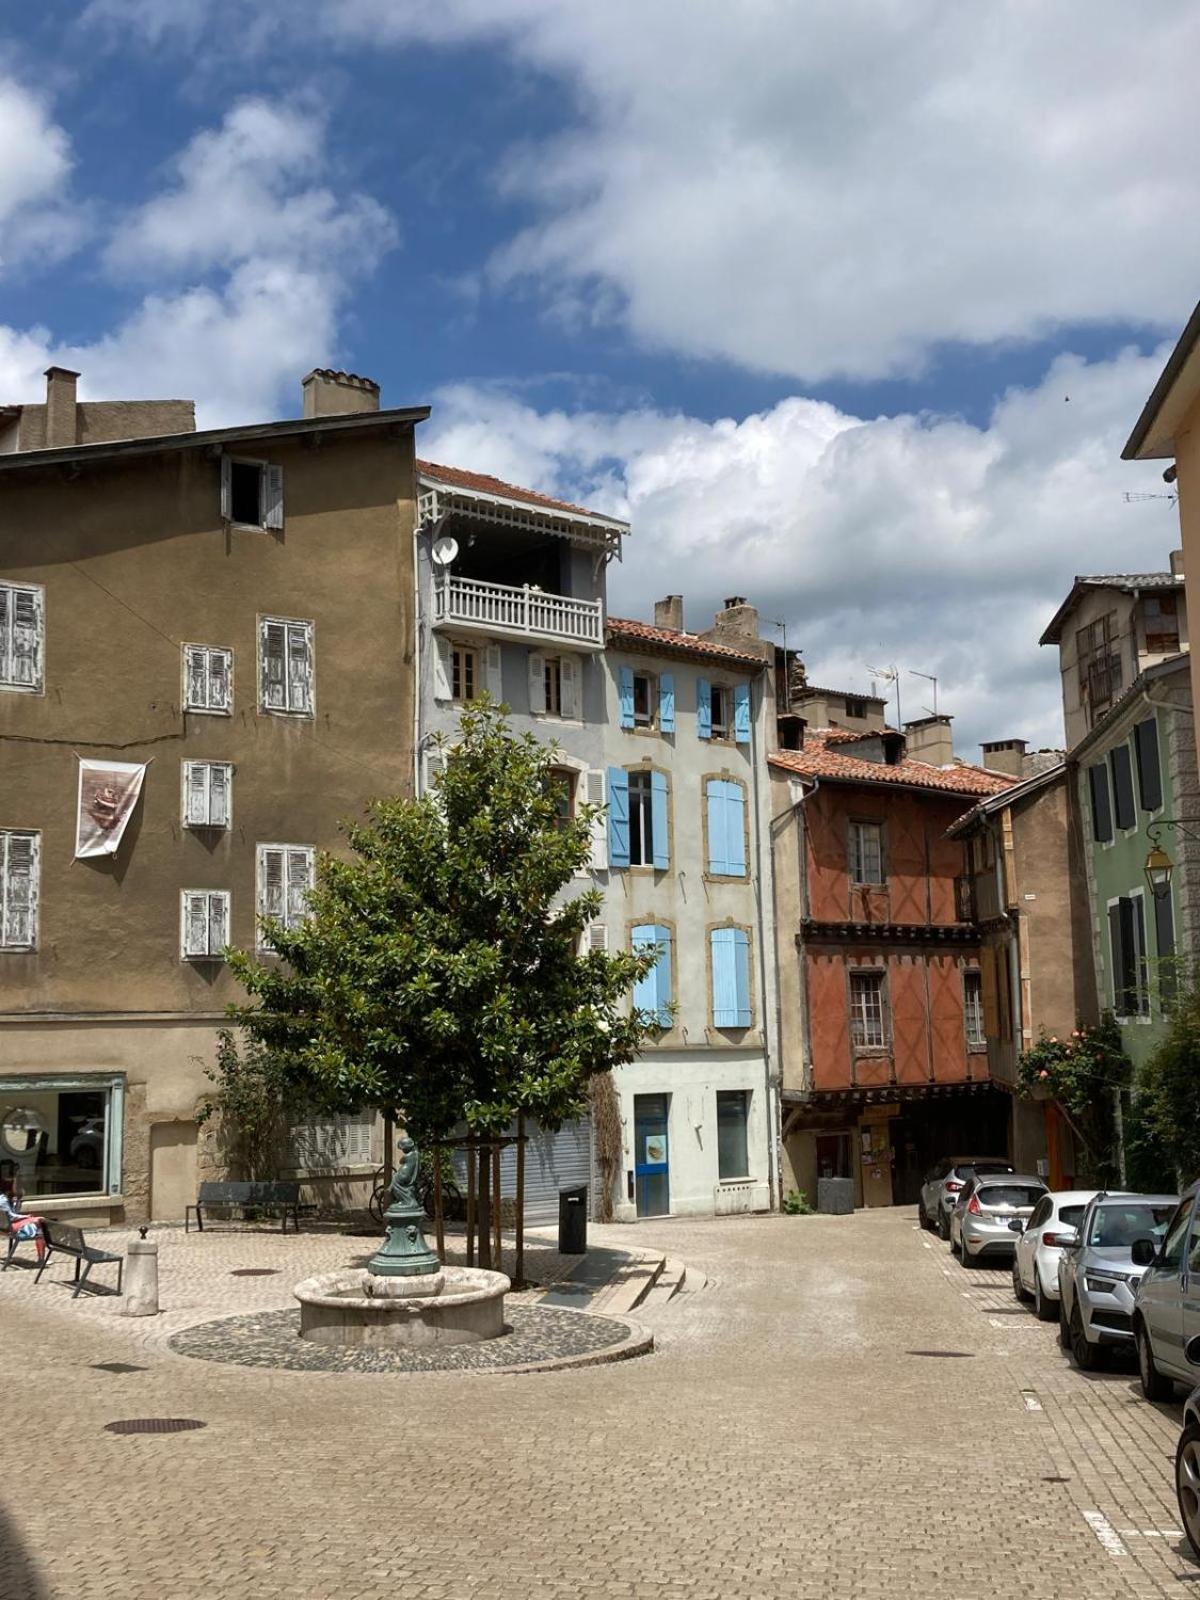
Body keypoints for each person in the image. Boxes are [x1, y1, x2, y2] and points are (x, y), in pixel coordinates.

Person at [0, 1190, 46, 1263]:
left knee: (37, 1222)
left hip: (5, 1227)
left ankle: (41, 1258)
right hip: (9, 1227)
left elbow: (14, 1213)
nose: (18, 1199)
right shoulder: (3, 1201)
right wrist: (26, 1216)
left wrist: (18, 1202)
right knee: (39, 1225)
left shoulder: (5, 1199)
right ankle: (41, 1259)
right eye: (19, 1197)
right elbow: (12, 1217)